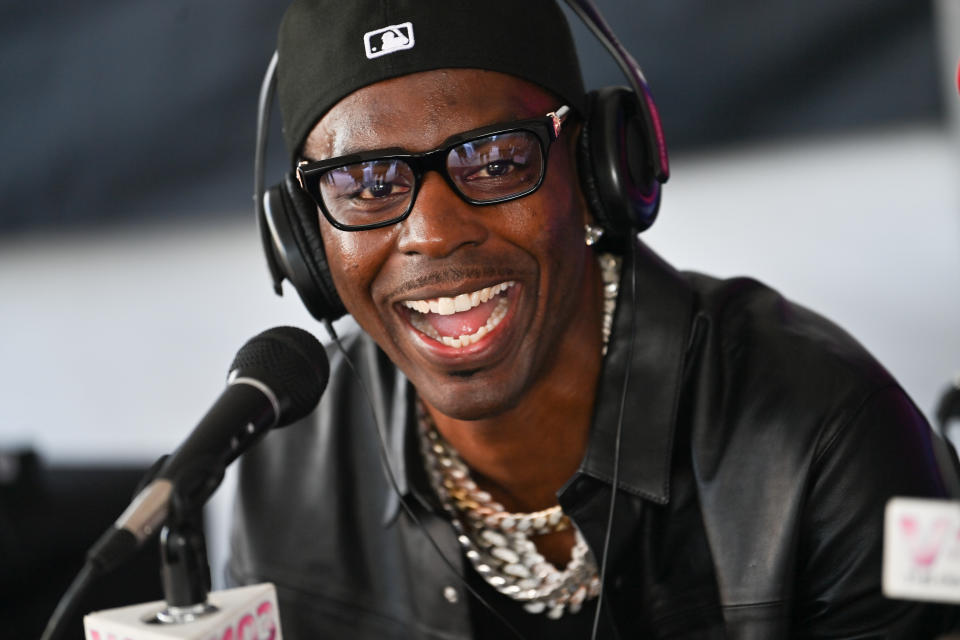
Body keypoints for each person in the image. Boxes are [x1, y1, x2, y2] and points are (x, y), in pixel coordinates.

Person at [228, 1, 959, 637]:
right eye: (366, 184)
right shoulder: (281, 468)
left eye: (492, 160)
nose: (432, 233)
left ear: (596, 172)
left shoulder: (823, 435)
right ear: (305, 243)